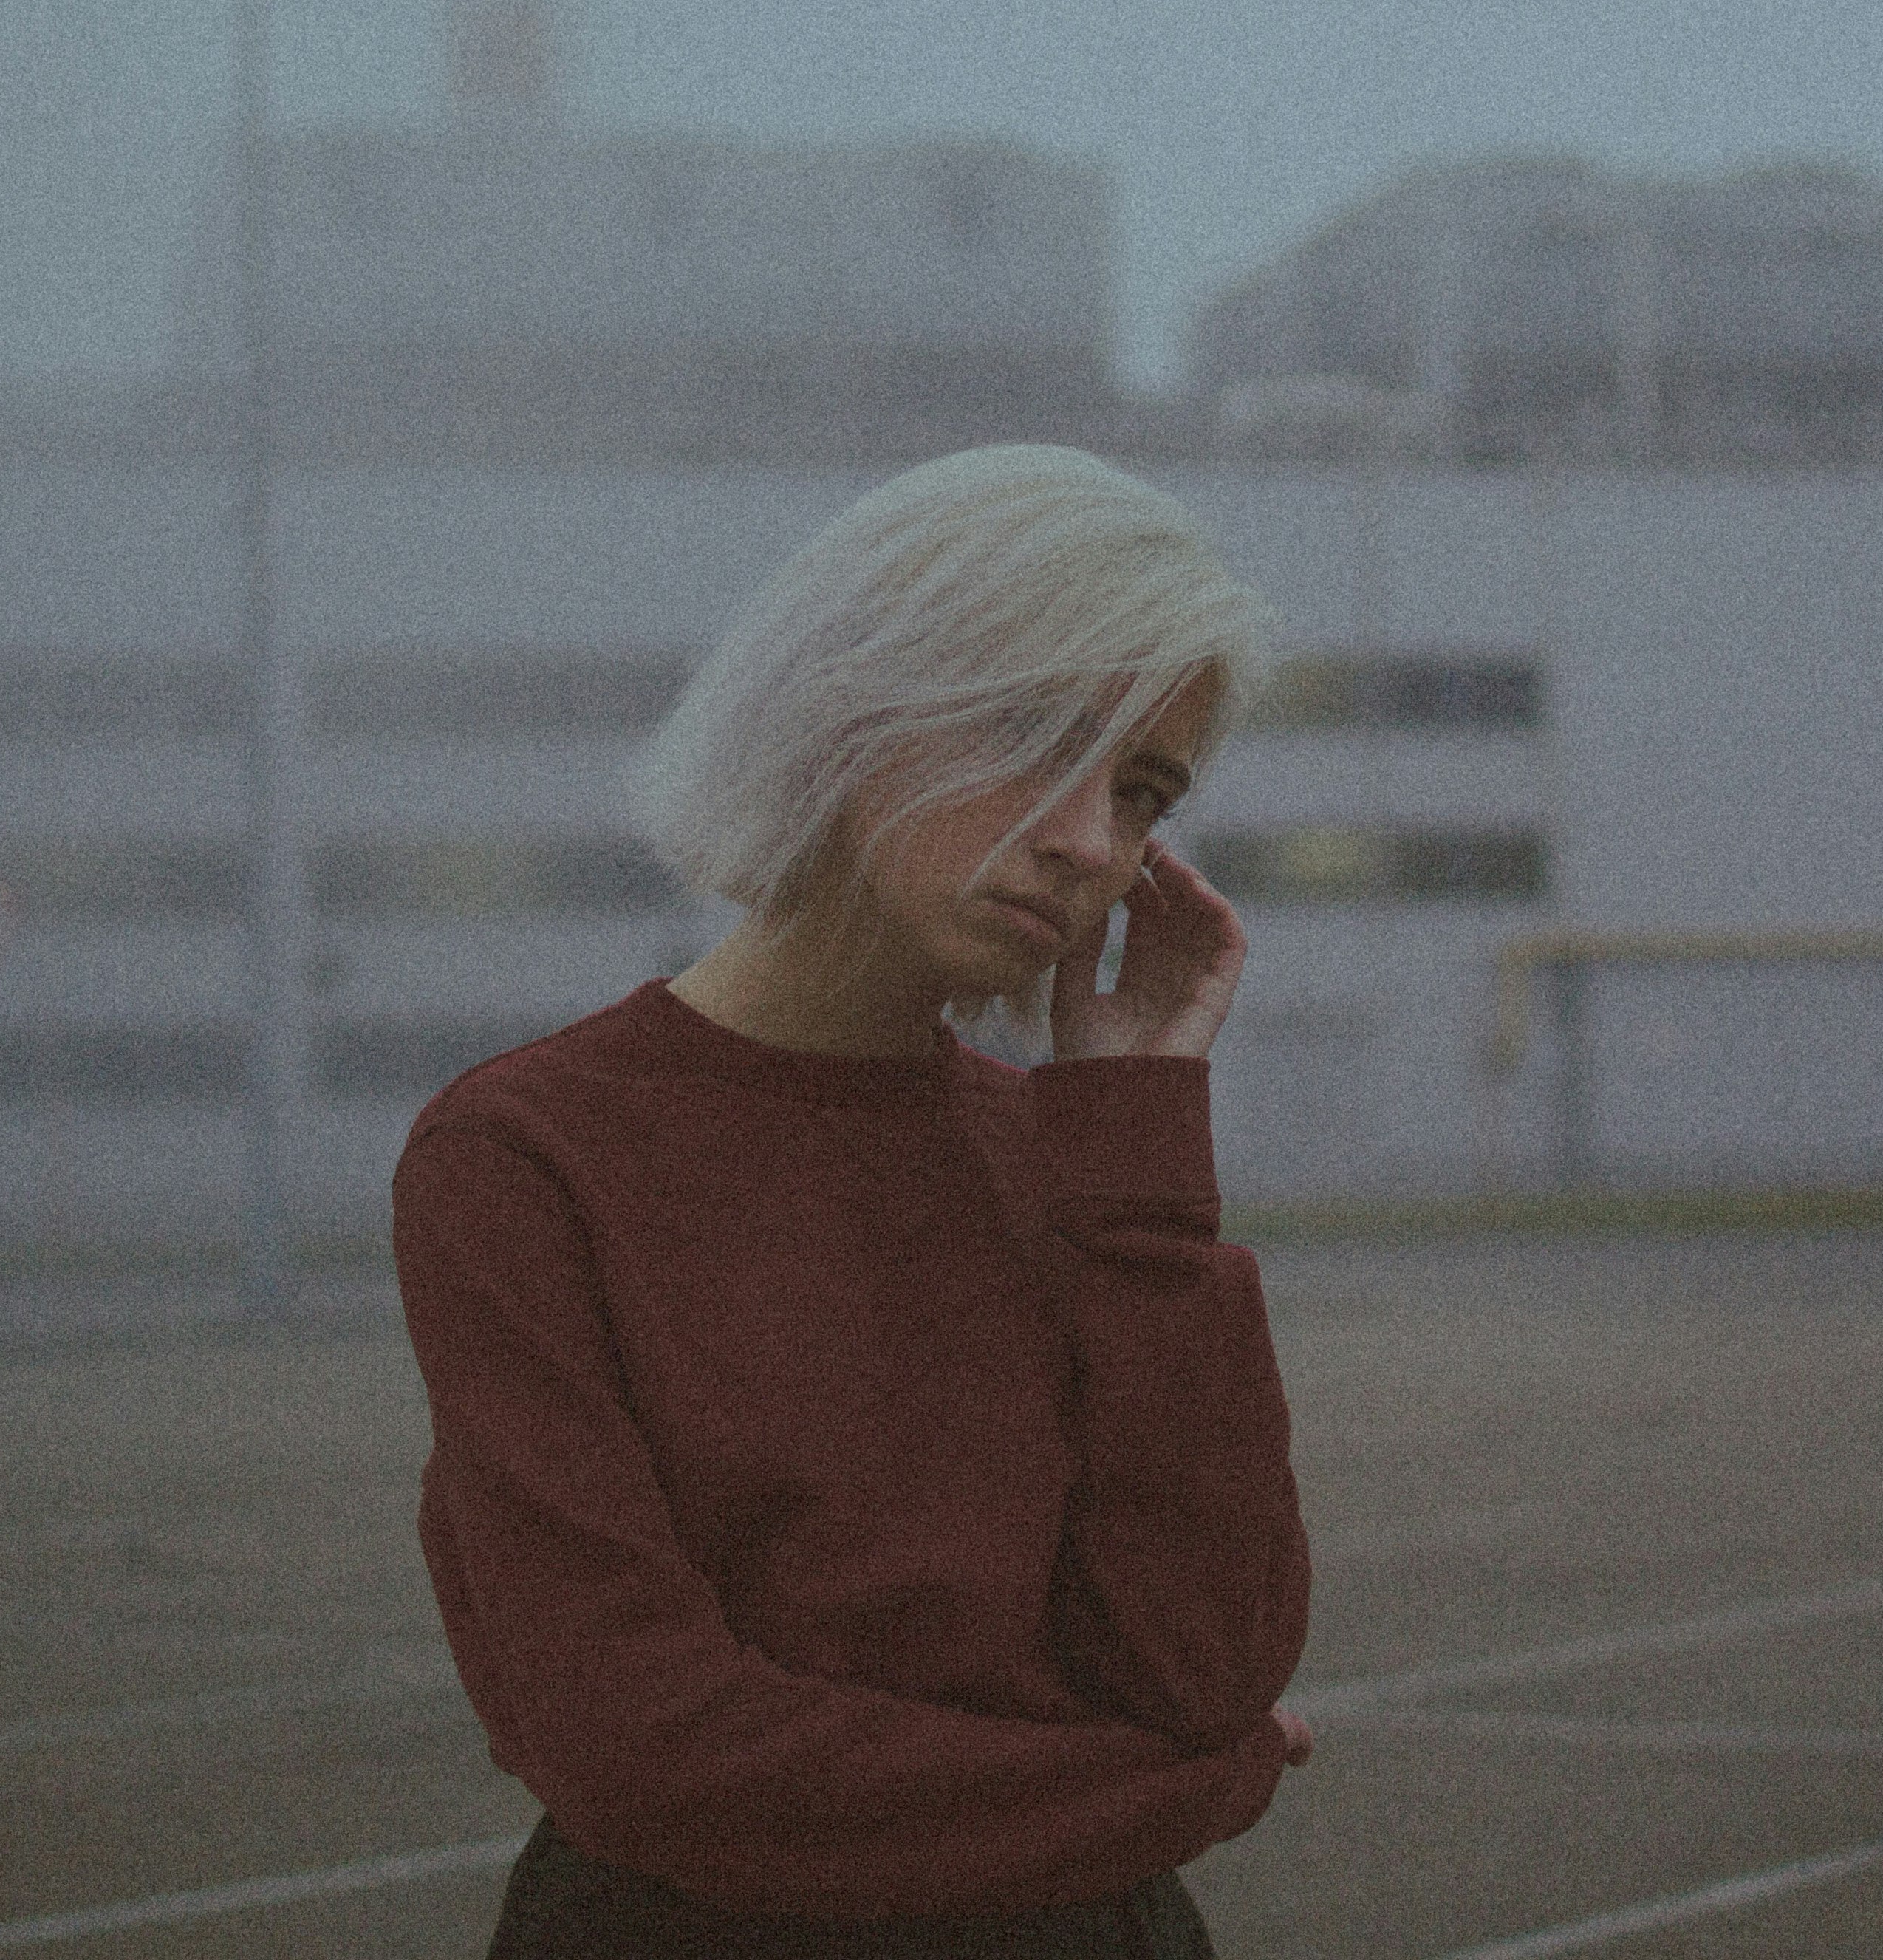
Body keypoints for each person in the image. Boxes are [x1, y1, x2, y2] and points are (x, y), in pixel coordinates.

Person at [394, 445, 1316, 1959]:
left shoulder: (1069, 1161)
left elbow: (1203, 1668)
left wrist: (1138, 1155)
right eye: (1036, 736)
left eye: (1145, 793)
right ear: (851, 700)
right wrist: (1169, 1798)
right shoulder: (525, 1158)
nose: (1094, 841)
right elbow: (652, 1752)